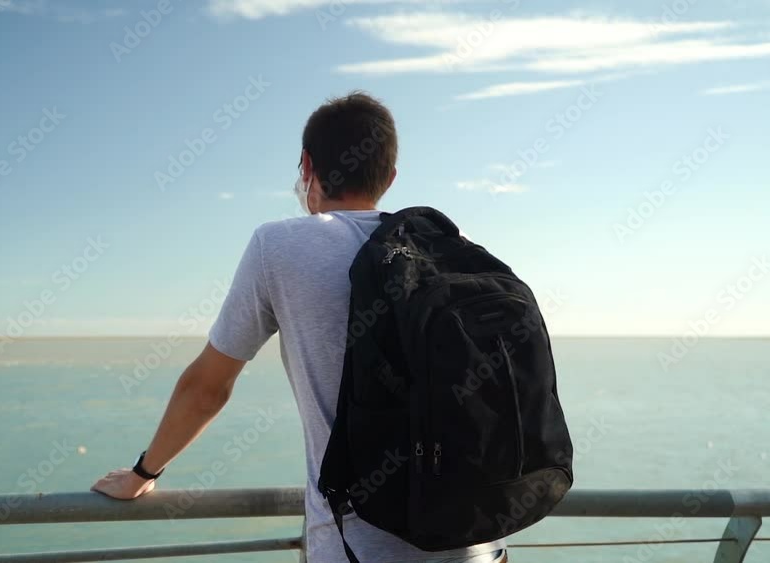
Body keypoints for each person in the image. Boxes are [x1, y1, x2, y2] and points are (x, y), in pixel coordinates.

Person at [91, 92, 508, 563]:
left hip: (359, 548)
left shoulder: (280, 246)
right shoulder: (450, 243)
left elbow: (208, 386)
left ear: (306, 165)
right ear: (390, 178)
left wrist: (143, 472)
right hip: (478, 543)